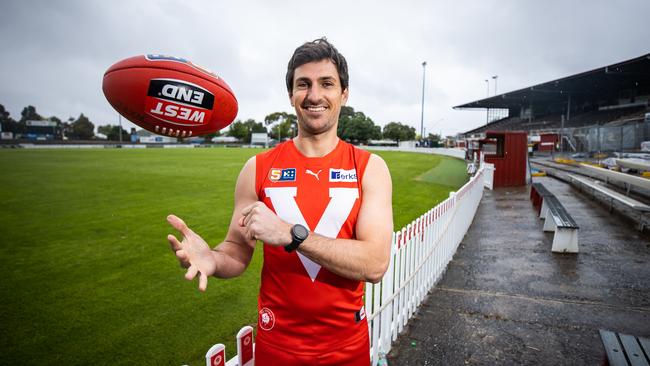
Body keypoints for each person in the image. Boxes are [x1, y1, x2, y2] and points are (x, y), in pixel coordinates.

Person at [167, 38, 393, 365]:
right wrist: (213, 260)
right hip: (277, 348)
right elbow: (237, 251)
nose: (314, 95)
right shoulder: (257, 169)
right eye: (304, 84)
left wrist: (290, 234)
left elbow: (375, 263)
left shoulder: (369, 168)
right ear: (291, 96)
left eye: (326, 83)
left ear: (344, 93)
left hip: (347, 348)